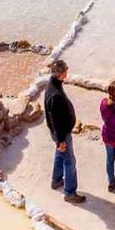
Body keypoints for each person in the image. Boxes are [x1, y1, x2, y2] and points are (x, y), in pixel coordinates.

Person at [44, 59, 85, 203]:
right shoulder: (55, 95)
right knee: (70, 161)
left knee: (60, 155)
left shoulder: (52, 84)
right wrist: (61, 140)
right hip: (62, 133)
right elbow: (55, 120)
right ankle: (70, 193)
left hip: (58, 133)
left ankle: (56, 180)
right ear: (60, 74)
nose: (66, 74)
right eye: (65, 71)